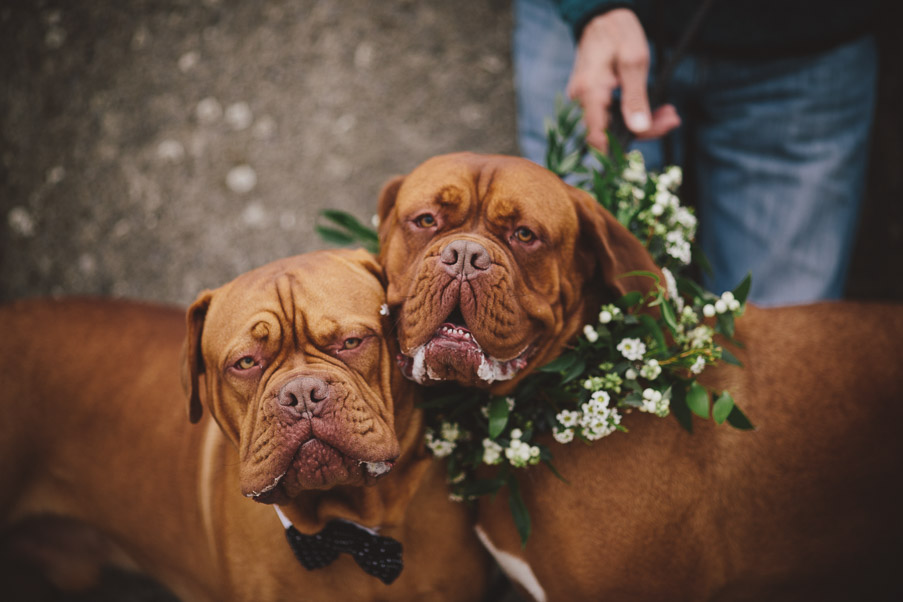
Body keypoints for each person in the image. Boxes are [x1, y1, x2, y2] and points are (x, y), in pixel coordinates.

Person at [514, 0, 879, 305]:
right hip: (586, 32)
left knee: (782, 342)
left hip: (807, 39)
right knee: (571, 304)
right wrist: (591, 7)